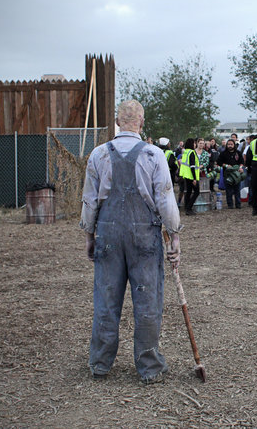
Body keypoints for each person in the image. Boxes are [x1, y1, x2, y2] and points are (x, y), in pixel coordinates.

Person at [80, 100, 181, 384]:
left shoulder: (98, 155)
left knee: (106, 299)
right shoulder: (154, 154)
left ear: (117, 120)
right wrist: (174, 238)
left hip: (108, 236)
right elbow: (165, 198)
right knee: (147, 300)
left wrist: (90, 236)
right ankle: (149, 366)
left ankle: (100, 364)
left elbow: (90, 201)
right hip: (144, 239)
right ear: (141, 122)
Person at [217, 138, 245, 208]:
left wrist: (241, 168)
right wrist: (226, 165)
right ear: (226, 145)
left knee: (237, 190)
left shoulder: (238, 153)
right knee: (228, 191)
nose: (230, 146)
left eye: (231, 144)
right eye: (228, 144)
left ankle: (238, 204)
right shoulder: (223, 153)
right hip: (227, 175)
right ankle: (230, 205)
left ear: (234, 145)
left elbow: (242, 162)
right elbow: (218, 162)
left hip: (237, 175)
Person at [180, 137, 200, 215]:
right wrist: (194, 178)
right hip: (191, 175)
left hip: (186, 175)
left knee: (188, 192)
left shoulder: (186, 152)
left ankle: (187, 208)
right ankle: (189, 208)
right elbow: (192, 166)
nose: (195, 144)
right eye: (195, 143)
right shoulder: (191, 152)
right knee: (196, 192)